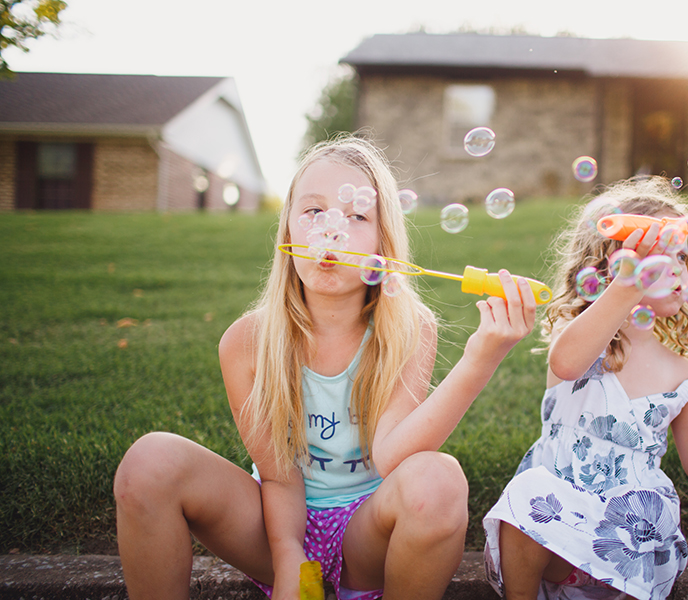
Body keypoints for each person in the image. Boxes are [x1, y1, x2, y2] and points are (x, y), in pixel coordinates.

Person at [114, 135, 537, 600]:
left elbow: (393, 457)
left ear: (382, 242)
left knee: (439, 480)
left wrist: (481, 358)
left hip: (368, 529)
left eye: (356, 216)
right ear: (289, 231)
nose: (330, 231)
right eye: (313, 212)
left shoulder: (408, 330)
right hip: (275, 521)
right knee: (149, 462)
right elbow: (278, 475)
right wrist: (288, 558)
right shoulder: (247, 343)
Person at [482, 176, 688, 600]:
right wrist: (627, 286)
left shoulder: (680, 370)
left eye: (683, 255)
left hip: (628, 542)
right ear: (612, 267)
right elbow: (566, 363)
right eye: (660, 256)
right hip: (552, 532)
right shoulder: (582, 339)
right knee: (529, 494)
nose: (678, 267)